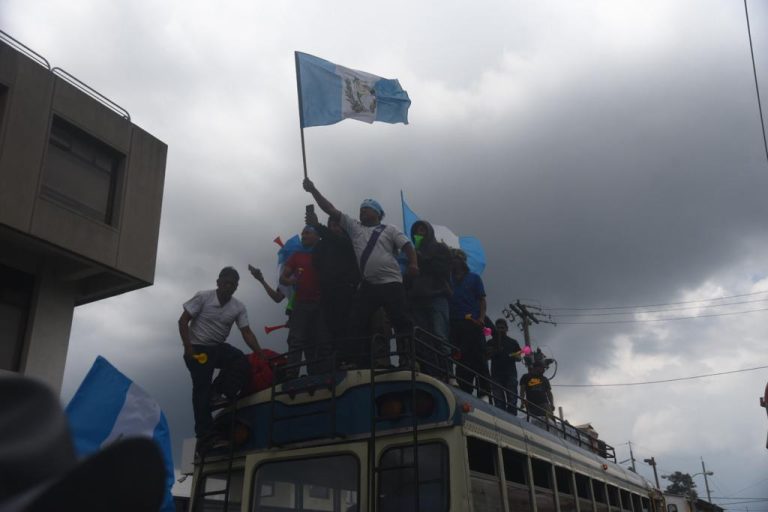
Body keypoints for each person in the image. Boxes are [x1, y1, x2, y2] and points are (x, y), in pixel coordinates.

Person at [303, 178, 418, 368]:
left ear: (378, 213)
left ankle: (408, 358)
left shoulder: (390, 229)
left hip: (391, 282)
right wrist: (313, 190)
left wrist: (413, 264)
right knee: (355, 321)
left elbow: (407, 246)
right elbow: (330, 209)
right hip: (368, 285)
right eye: (361, 208)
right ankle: (353, 360)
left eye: (367, 208)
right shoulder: (355, 229)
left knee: (401, 320)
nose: (362, 210)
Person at [178, 267, 262, 444]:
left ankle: (217, 391)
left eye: (233, 284)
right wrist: (188, 347)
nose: (229, 286)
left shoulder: (238, 307)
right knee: (201, 388)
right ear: (218, 282)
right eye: (226, 282)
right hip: (197, 349)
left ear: (236, 287)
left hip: (217, 348)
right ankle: (205, 435)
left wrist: (260, 354)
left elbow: (246, 332)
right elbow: (183, 320)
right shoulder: (203, 297)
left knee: (241, 361)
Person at [279, 225, 331, 377]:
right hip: (300, 304)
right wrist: (291, 280)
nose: (303, 236)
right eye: (302, 233)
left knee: (322, 339)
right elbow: (283, 277)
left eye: (307, 233)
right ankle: (292, 374)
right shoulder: (296, 255)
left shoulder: (322, 253)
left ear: (317, 236)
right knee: (297, 340)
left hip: (321, 303)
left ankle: (324, 372)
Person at [406, 220, 452, 377]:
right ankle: (430, 371)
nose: (419, 232)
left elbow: (443, 270)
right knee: (421, 337)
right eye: (416, 231)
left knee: (439, 335)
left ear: (429, 231)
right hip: (417, 299)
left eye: (422, 229)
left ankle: (448, 373)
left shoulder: (440, 248)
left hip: (437, 296)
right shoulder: (411, 251)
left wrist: (423, 258)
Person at [305, 211, 360, 343]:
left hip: (347, 290)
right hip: (327, 292)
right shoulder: (321, 246)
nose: (334, 228)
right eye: (331, 225)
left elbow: (336, 240)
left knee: (348, 326)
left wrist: (317, 225)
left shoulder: (350, 241)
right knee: (330, 328)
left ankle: (351, 359)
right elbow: (316, 264)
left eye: (337, 225)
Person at [449, 249, 490, 397]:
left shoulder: (474, 278)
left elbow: (481, 300)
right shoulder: (448, 280)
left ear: (462, 260)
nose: (454, 261)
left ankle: (484, 390)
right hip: (455, 323)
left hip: (472, 322)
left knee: (478, 355)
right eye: (452, 258)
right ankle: (465, 388)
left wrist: (481, 317)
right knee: (460, 356)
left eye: (456, 258)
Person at [486, 318, 522, 414]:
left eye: (502, 328)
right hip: (496, 375)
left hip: (510, 374)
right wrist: (495, 351)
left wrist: (515, 355)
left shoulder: (513, 342)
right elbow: (486, 357)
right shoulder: (490, 342)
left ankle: (513, 422)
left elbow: (519, 357)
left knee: (512, 402)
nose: (500, 330)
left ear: (506, 329)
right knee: (498, 403)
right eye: (498, 328)